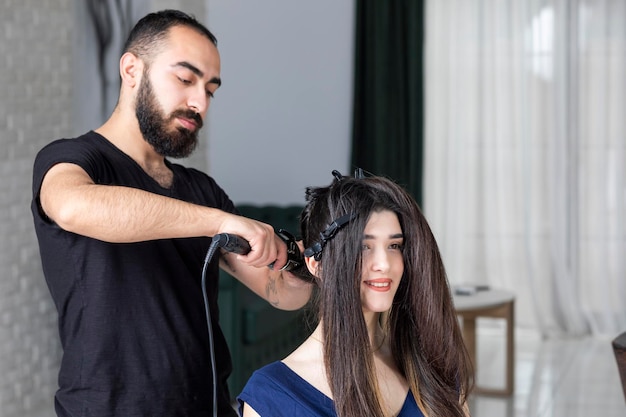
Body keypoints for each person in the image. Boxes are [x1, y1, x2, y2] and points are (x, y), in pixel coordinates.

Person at [30, 9, 312, 417]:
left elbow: (282, 292)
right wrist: (219, 221)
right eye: (185, 79)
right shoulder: (73, 160)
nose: (199, 102)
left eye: (210, 89)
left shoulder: (201, 189)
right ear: (131, 70)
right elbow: (74, 207)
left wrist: (308, 263)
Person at [238, 170, 474, 417]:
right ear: (316, 265)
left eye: (394, 246)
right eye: (364, 247)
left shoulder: (431, 366)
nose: (384, 264)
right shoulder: (273, 397)